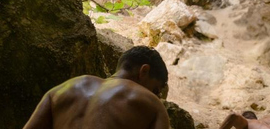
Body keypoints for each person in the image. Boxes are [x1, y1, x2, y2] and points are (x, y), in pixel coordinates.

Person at [22, 46, 170, 129]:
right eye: (155, 90)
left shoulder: (58, 91)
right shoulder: (153, 104)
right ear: (144, 71)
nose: (156, 96)